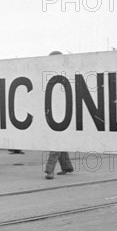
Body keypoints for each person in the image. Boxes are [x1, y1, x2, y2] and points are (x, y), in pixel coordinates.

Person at [44, 51, 74, 179]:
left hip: (62, 115)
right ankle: (67, 167)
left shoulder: (66, 73)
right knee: (60, 143)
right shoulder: (50, 74)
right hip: (54, 114)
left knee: (56, 144)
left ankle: (49, 170)